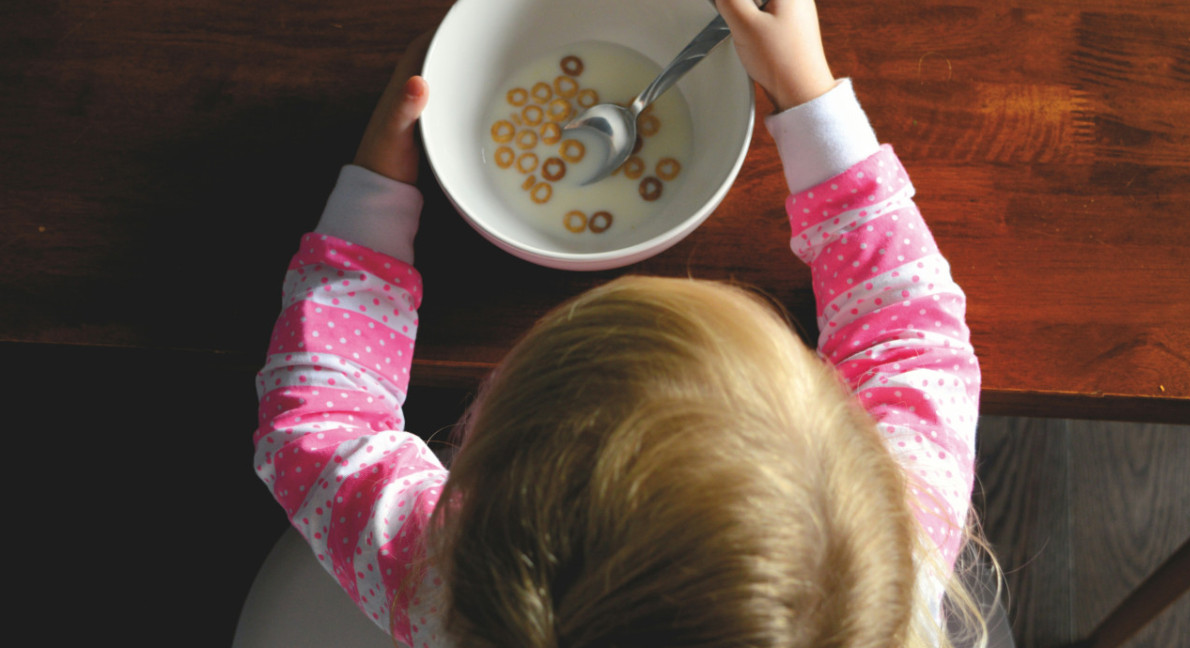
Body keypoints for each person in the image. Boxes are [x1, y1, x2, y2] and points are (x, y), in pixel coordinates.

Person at [253, 0, 1005, 646]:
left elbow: (317, 423)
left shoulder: (441, 580)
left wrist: (375, 193)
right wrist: (810, 96)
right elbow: (912, 335)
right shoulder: (895, 555)